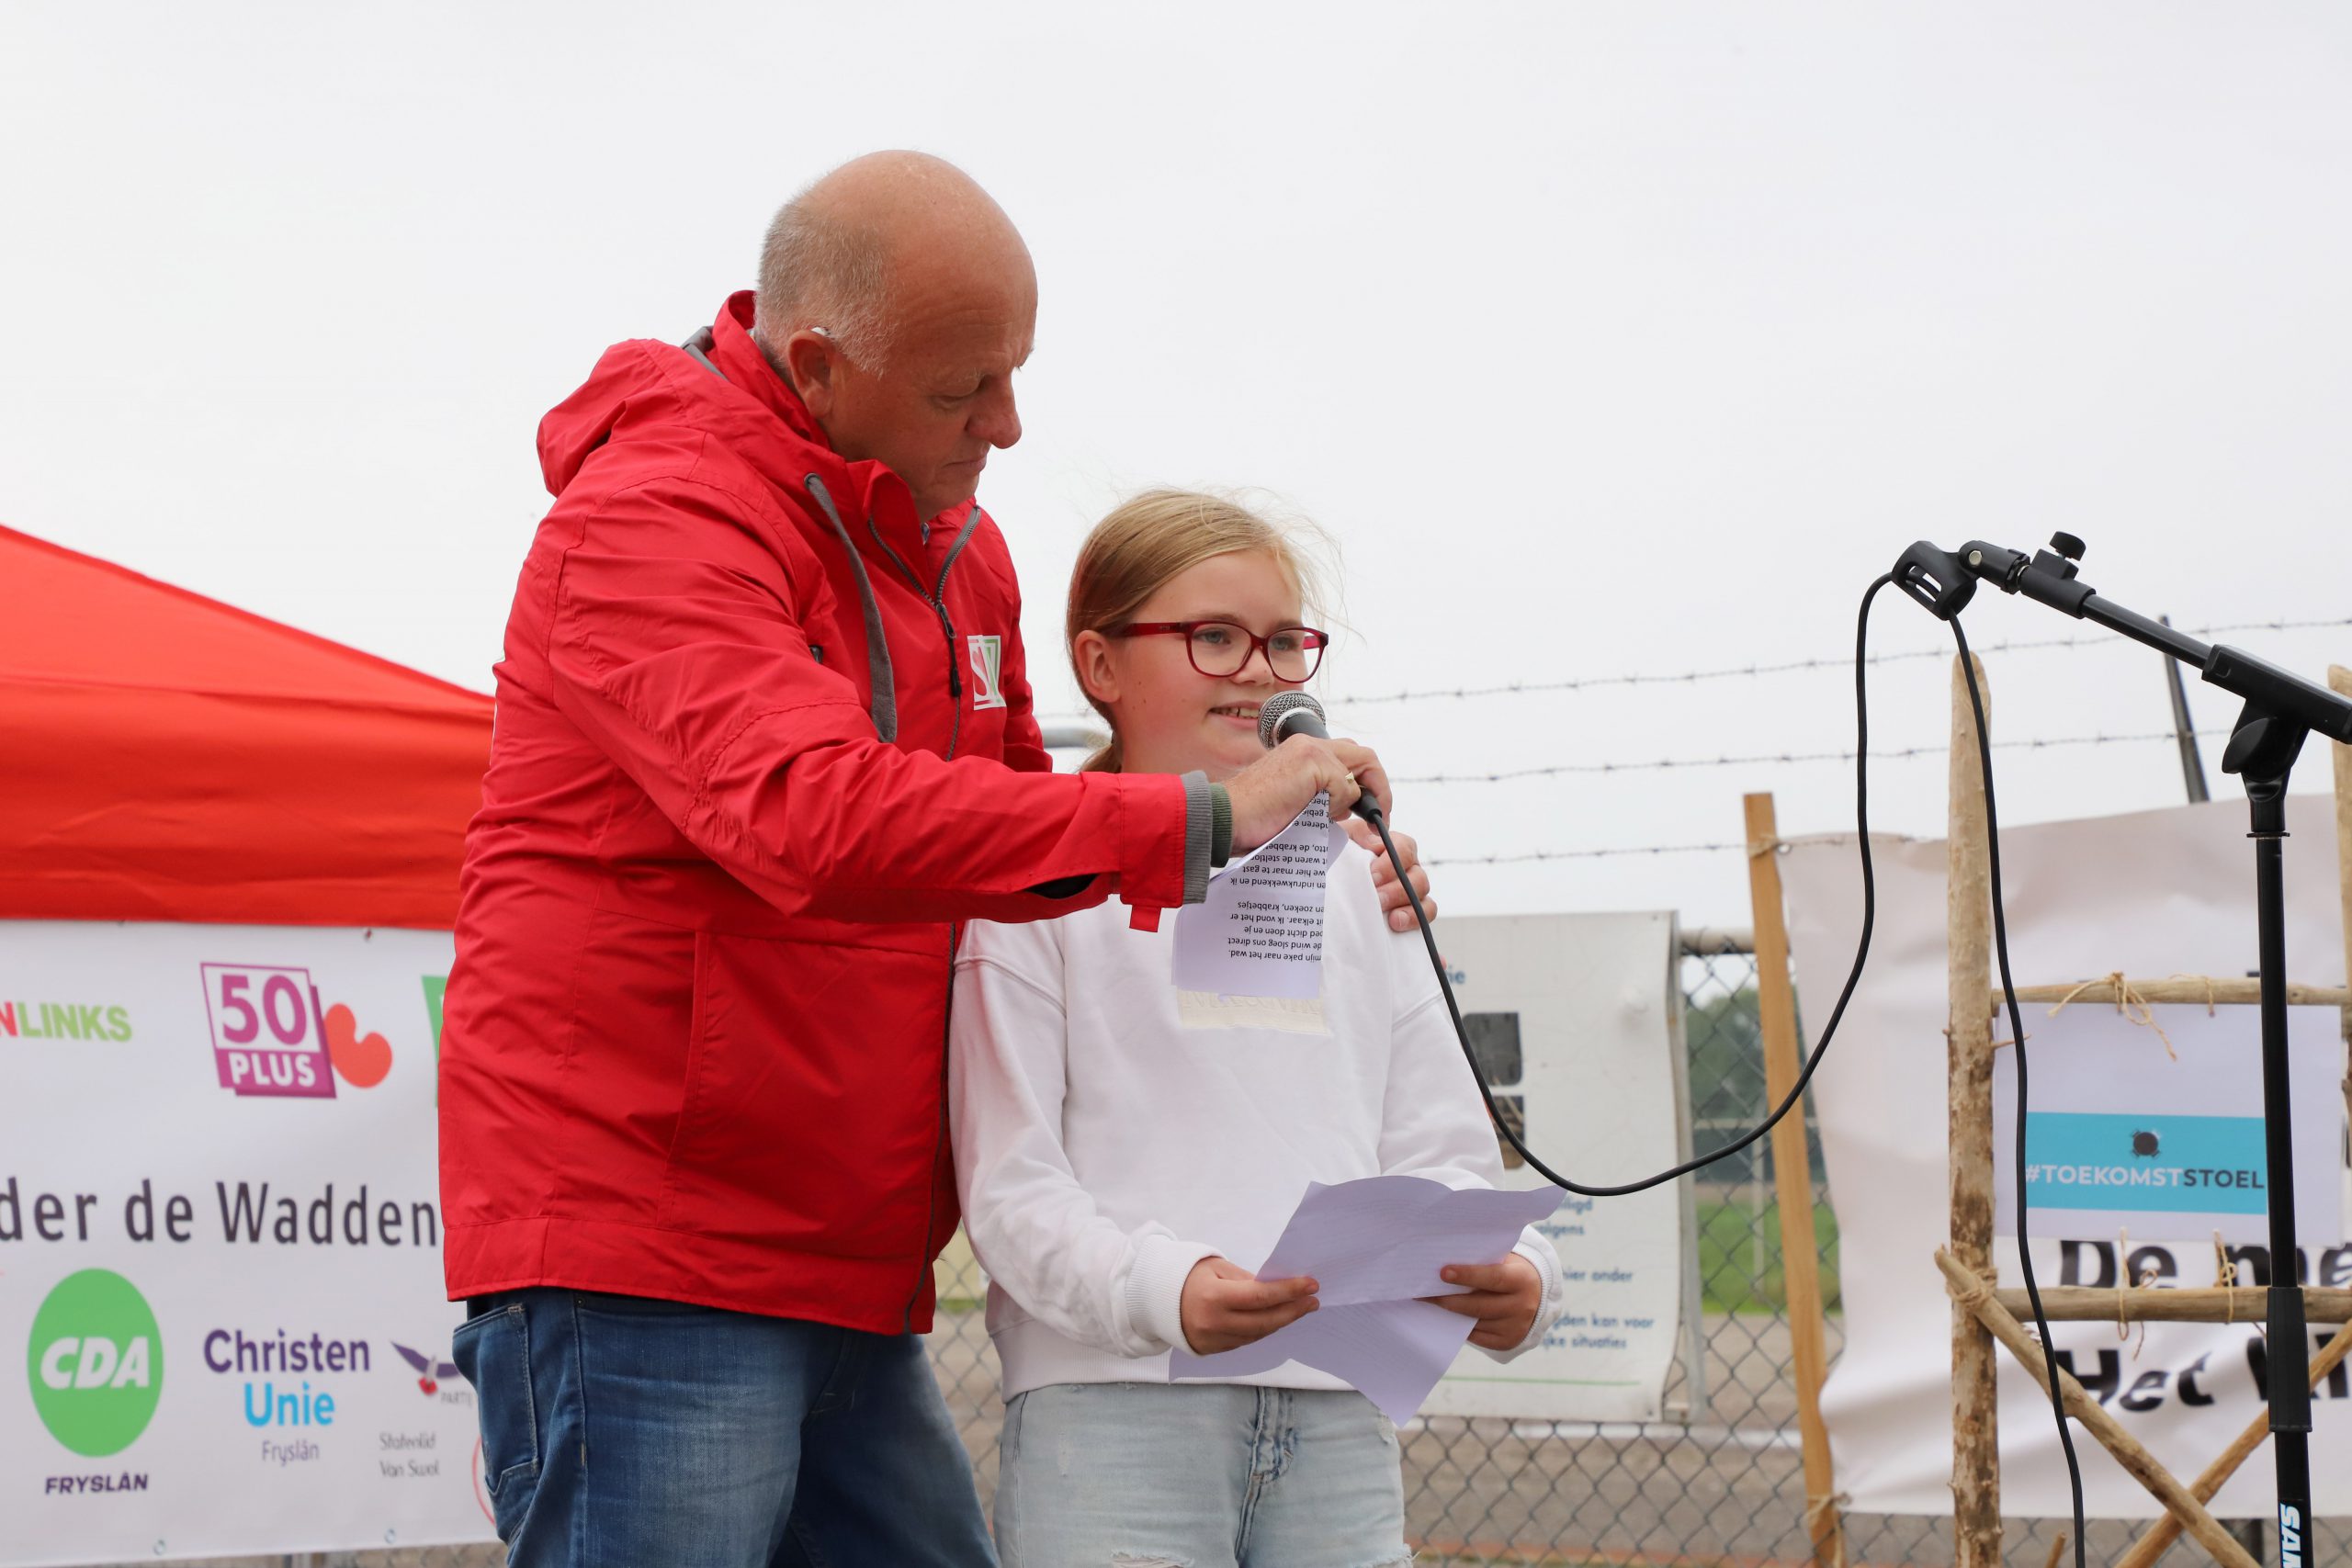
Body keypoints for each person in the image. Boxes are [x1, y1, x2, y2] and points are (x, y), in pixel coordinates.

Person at [436, 152, 1432, 1568]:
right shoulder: (650, 520)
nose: (1010, 423)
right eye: (966, 386)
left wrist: (1314, 872)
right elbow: (815, 812)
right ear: (823, 363)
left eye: (1015, 372)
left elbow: (1031, 843)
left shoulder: (959, 548)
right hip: (646, 1250)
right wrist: (1213, 820)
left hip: (847, 1248)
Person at [949, 491, 1566, 1568]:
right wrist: (1163, 1291)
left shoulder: (1361, 884)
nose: (1260, 673)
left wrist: (1518, 1275)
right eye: (1214, 638)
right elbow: (1010, 1188)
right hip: (1113, 1419)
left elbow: (1439, 1153)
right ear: (1099, 666)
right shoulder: (1036, 889)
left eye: (1285, 643)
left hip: (1337, 1418)